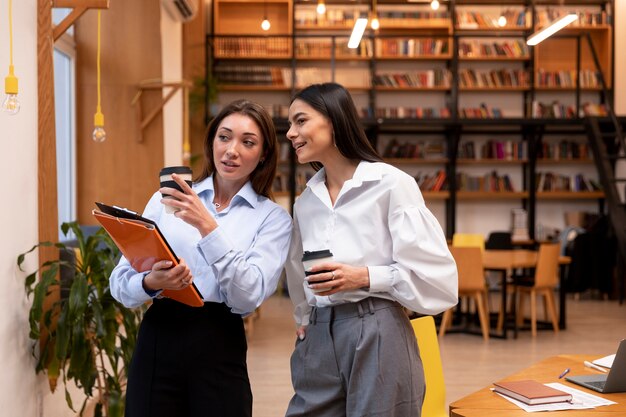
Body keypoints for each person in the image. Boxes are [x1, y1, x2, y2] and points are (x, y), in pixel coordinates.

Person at [284, 83, 458, 417]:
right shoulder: (305, 202)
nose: (291, 133)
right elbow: (298, 274)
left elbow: (440, 282)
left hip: (377, 330)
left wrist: (364, 277)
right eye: (290, 124)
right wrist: (305, 319)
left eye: (300, 121)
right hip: (318, 336)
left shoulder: (391, 184)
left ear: (334, 120)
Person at [109, 99, 292, 417]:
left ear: (263, 155)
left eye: (247, 142)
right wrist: (152, 281)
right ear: (211, 142)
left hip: (219, 342)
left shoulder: (272, 218)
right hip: (159, 337)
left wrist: (206, 224)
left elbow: (247, 298)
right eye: (224, 137)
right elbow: (119, 285)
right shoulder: (166, 199)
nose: (231, 150)